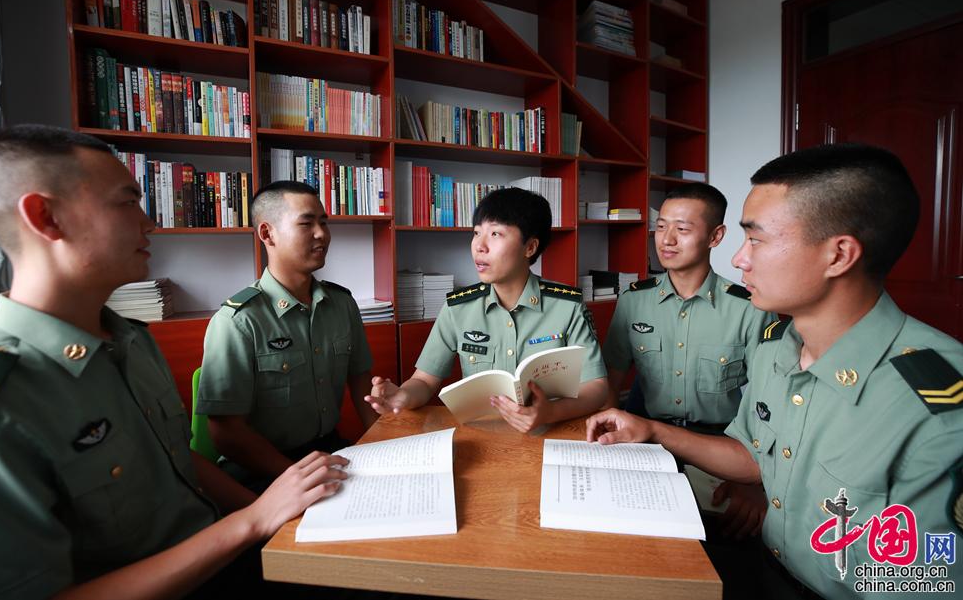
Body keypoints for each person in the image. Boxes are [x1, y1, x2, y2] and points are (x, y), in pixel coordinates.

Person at [0, 125, 347, 600]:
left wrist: (276, 516)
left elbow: (179, 459)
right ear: (46, 217)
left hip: (221, 551)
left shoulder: (130, 340)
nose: (149, 223)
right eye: (127, 202)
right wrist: (253, 521)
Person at [586, 143, 963, 599]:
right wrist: (651, 430)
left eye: (757, 240)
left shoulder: (937, 406)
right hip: (765, 572)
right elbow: (753, 457)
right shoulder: (779, 347)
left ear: (838, 255)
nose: (740, 259)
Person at [603, 183, 774, 537]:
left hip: (720, 451)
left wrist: (754, 480)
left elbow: (769, 407)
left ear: (715, 236)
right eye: (661, 226)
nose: (666, 239)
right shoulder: (634, 301)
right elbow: (609, 384)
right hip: (646, 445)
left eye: (681, 229)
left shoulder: (749, 309)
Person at [366, 187, 608, 432]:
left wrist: (550, 412)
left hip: (551, 436)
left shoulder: (567, 306)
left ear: (530, 247)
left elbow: (597, 387)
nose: (479, 246)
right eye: (476, 233)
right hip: (482, 439)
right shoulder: (458, 308)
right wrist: (403, 395)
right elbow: (424, 381)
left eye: (495, 233)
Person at [196, 180, 376, 487]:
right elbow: (226, 432)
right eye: (306, 223)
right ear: (268, 234)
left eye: (323, 222)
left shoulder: (342, 304)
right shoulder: (238, 321)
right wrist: (299, 479)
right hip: (261, 468)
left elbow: (362, 383)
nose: (321, 234)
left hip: (328, 453)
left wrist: (385, 443)